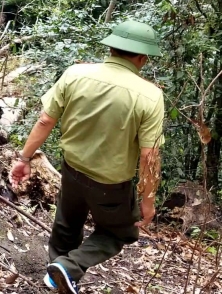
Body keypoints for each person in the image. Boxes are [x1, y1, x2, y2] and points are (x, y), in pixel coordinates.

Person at [10, 20, 166, 294]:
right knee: (121, 233)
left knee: (67, 226)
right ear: (142, 58)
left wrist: (24, 158)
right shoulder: (150, 95)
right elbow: (149, 155)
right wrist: (147, 200)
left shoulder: (75, 74)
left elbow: (46, 120)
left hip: (72, 169)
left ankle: (58, 271)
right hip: (111, 184)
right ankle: (68, 270)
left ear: (111, 47)